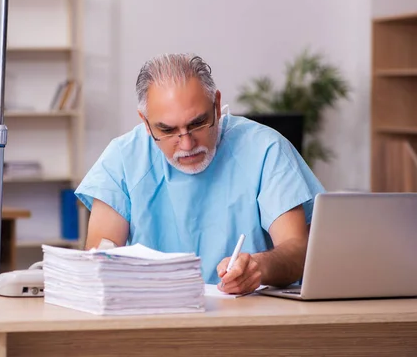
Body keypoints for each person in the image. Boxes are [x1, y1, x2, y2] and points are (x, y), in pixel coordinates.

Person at [74, 53, 325, 295]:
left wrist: (260, 267)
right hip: (153, 315)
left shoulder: (265, 149)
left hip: (250, 317)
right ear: (146, 122)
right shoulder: (122, 159)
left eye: (197, 124)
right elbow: (101, 258)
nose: (186, 144)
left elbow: (297, 250)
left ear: (216, 105)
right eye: (168, 130)